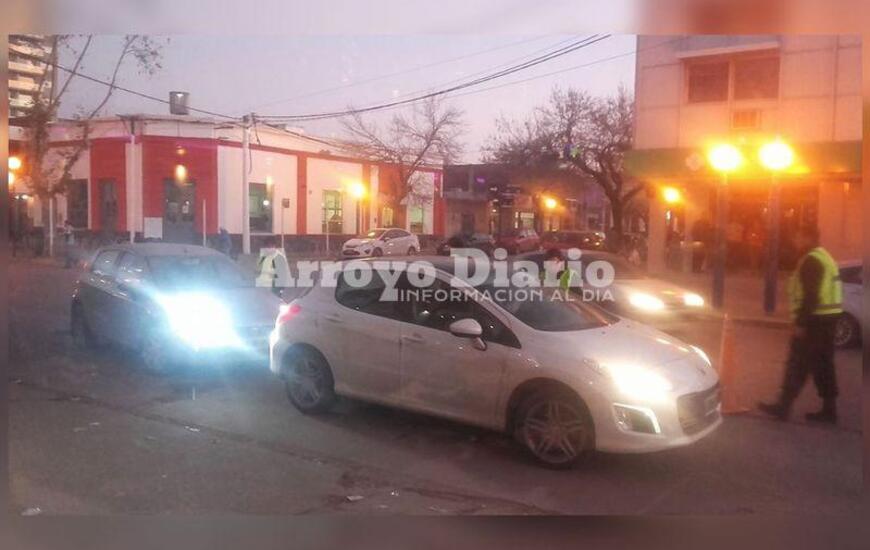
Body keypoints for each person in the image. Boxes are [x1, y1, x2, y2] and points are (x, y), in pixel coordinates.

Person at [758, 224, 843, 424]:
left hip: (814, 321)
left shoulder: (811, 260)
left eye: (798, 237)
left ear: (807, 238)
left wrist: (801, 323)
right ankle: (829, 411)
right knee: (823, 365)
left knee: (797, 364)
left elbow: (810, 296)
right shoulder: (824, 256)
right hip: (827, 319)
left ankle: (783, 407)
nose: (795, 241)